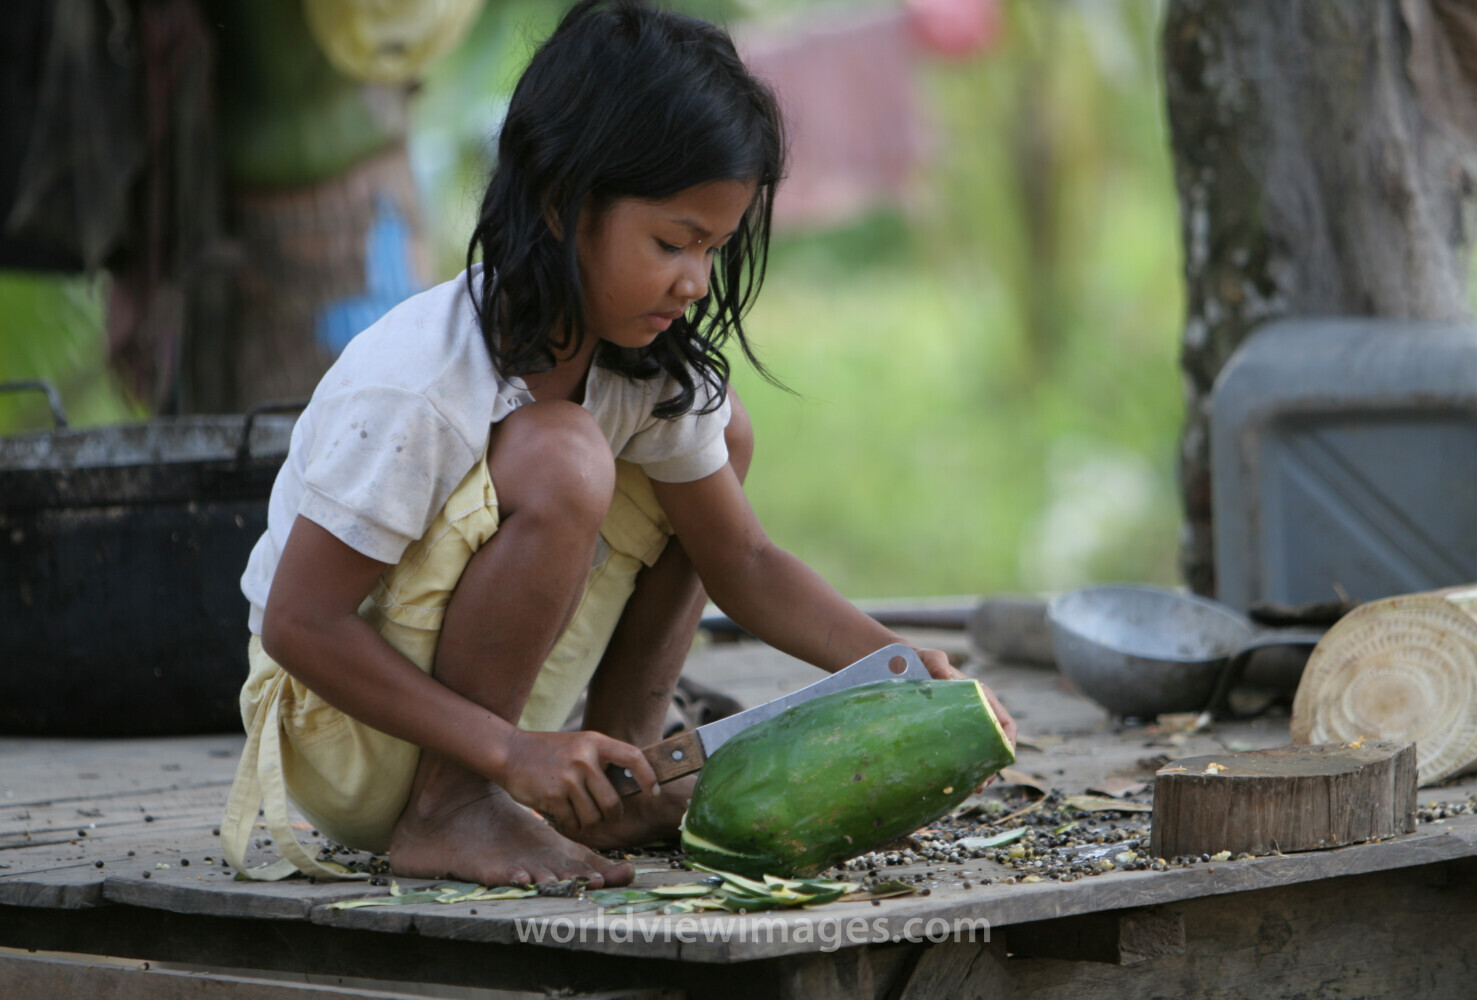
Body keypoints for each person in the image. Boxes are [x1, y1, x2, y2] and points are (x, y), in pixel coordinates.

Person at [221, 0, 1017, 890]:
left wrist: (896, 668)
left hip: (498, 729)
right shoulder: (419, 380)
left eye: (713, 249)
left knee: (717, 433)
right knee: (565, 454)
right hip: (346, 733)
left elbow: (744, 562)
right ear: (564, 205)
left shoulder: (640, 368)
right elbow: (299, 624)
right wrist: (507, 750)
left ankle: (627, 774)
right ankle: (451, 812)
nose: (694, 281)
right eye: (673, 243)